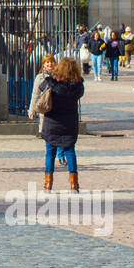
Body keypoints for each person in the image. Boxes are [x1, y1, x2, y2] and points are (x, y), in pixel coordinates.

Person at [41, 56, 85, 192]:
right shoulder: (77, 86)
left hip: (52, 121)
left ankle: (48, 184)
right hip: (69, 122)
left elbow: (41, 88)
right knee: (70, 152)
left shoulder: (51, 83)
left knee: (50, 153)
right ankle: (74, 184)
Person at [28, 53, 56, 149]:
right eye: (47, 62)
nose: (50, 64)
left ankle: (60, 155)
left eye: (51, 62)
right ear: (43, 64)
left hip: (57, 106)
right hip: (45, 106)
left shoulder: (59, 75)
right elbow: (35, 95)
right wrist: (32, 111)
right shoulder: (39, 77)